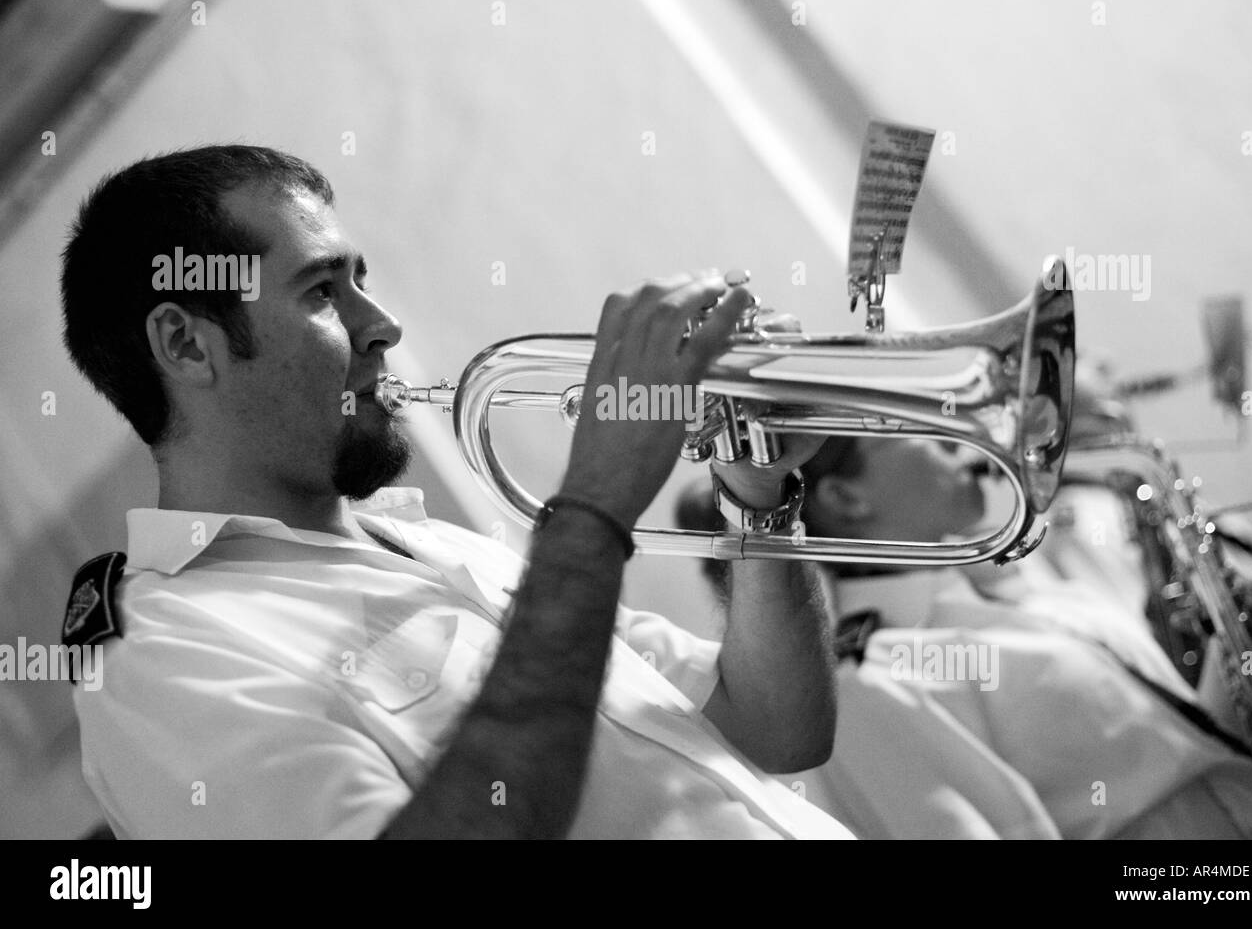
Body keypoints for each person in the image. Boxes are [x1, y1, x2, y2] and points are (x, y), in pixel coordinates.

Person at [60, 145, 852, 839]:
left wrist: (758, 500)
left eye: (359, 280)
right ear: (184, 343)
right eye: (321, 292)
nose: (383, 325)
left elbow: (775, 728)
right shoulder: (161, 656)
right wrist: (598, 497)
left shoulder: (438, 547)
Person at [679, 434, 1252, 838]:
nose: (957, 442)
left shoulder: (1004, 584)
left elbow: (1177, 761)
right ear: (846, 498)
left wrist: (1242, 660)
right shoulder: (865, 686)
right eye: (919, 430)